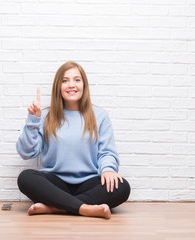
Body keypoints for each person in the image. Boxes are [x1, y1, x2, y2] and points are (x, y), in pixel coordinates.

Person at [16, 61, 130, 219]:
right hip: (55, 184)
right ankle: (85, 208)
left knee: (122, 186)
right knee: (25, 177)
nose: (71, 85)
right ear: (58, 86)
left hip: (89, 182)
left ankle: (57, 208)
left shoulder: (100, 116)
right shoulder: (44, 116)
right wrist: (33, 120)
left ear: (84, 85)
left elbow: (106, 152)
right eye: (65, 80)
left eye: (77, 80)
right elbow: (27, 152)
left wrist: (108, 169)